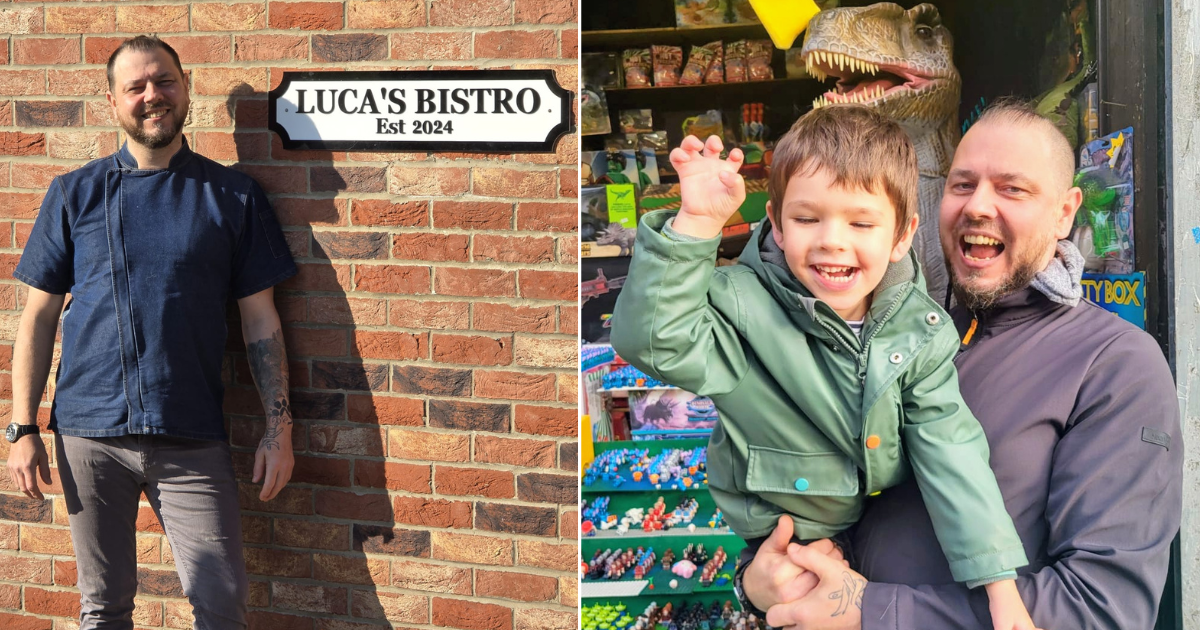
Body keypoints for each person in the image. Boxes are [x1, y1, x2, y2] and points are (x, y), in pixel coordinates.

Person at [740, 100, 1183, 630]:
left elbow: (1102, 609)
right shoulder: (904, 336)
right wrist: (758, 577)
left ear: (1065, 213)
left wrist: (871, 612)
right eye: (962, 184)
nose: (977, 206)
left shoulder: (1114, 364)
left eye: (1012, 189)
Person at [611, 105, 1037, 630]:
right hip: (791, 536)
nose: (832, 240)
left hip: (884, 529)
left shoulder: (918, 328)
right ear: (777, 224)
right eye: (807, 218)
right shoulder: (742, 310)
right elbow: (654, 341)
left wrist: (998, 583)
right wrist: (695, 225)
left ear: (901, 235)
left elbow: (952, 449)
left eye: (861, 222)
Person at [4, 36, 297, 629]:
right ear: (113, 101)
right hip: (88, 432)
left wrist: (279, 428)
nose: (151, 96)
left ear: (186, 87)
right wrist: (21, 426)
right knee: (103, 607)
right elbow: (37, 316)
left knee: (221, 602)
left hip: (190, 429)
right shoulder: (74, 193)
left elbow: (260, 319)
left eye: (163, 81)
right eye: (135, 86)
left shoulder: (232, 196)